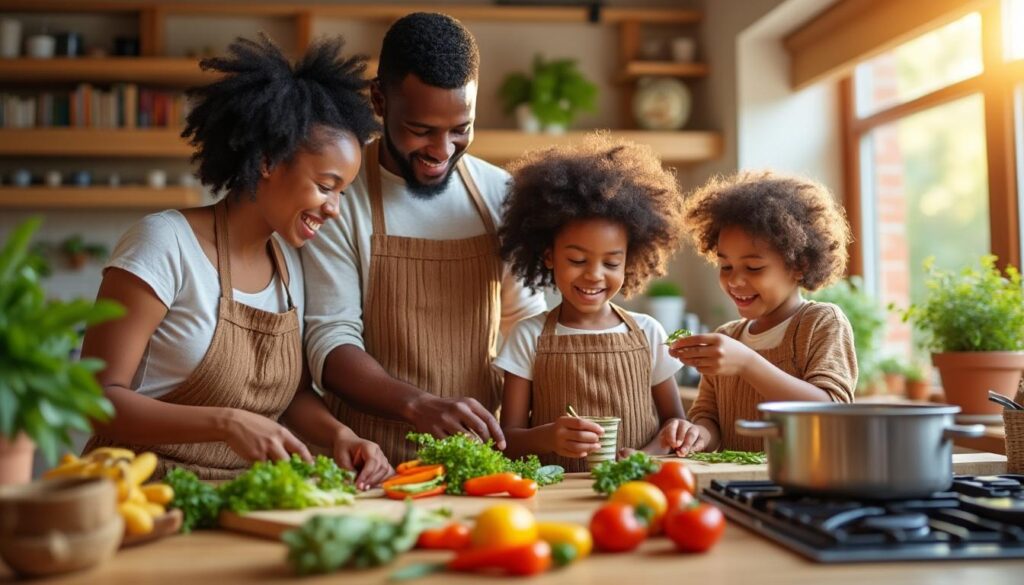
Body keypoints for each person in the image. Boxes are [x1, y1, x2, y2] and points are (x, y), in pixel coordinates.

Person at [80, 35, 392, 487]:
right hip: (138, 495)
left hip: (234, 500)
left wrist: (342, 435)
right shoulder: (165, 243)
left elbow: (291, 396)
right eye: (326, 186)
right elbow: (96, 401)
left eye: (342, 192)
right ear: (267, 161)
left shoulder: (289, 264)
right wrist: (225, 422)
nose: (334, 208)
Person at [301, 12, 546, 464]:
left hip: (479, 459)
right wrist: (418, 405)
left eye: (460, 129)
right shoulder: (339, 200)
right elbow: (332, 343)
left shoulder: (501, 195)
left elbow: (526, 325)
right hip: (368, 461)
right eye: (421, 130)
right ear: (379, 99)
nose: (441, 151)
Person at [493, 134, 690, 473]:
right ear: (549, 256)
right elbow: (507, 441)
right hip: (554, 498)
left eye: (611, 263)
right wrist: (548, 438)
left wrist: (650, 453)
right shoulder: (528, 336)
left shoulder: (648, 333)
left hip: (635, 493)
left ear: (629, 261)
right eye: (577, 260)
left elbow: (677, 427)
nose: (594, 276)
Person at [670, 171, 857, 454]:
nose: (734, 281)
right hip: (739, 488)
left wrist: (747, 363)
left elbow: (832, 411)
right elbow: (709, 419)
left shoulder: (820, 323)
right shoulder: (728, 336)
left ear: (800, 265)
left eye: (754, 268)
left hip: (805, 488)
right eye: (726, 267)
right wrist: (696, 434)